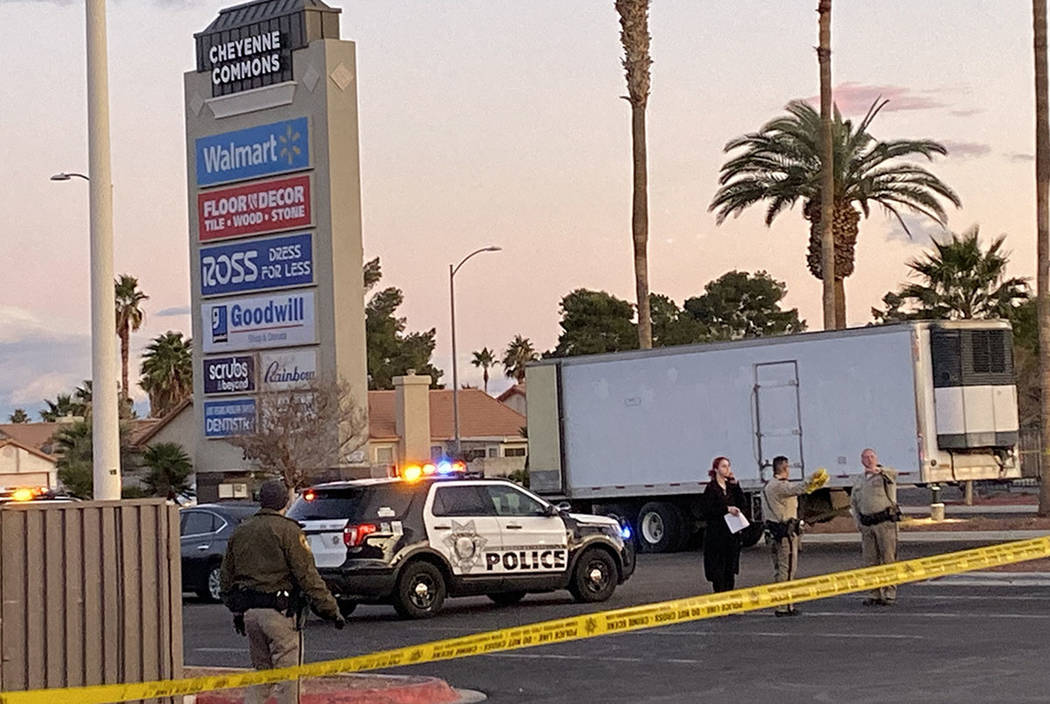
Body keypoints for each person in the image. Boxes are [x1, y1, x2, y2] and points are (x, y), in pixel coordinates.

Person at [220, 480, 346, 704]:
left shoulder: (241, 531)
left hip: (250, 613)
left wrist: (237, 610)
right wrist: (330, 609)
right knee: (288, 679)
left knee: (263, 674)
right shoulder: (288, 530)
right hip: (279, 613)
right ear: (285, 501)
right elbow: (307, 575)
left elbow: (226, 577)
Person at [760, 457, 828, 616]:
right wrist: (814, 479)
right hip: (785, 533)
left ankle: (780, 603)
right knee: (787, 569)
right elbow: (799, 488)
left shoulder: (769, 486)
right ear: (785, 468)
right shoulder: (780, 486)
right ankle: (785, 605)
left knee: (779, 570)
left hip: (775, 532)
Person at [850, 448, 901, 606]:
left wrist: (880, 470)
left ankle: (889, 593)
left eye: (871, 457)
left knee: (888, 558)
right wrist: (858, 523)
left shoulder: (884, 476)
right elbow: (854, 503)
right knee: (870, 561)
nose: (869, 460)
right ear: (861, 460)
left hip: (884, 523)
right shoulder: (859, 481)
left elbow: (894, 473)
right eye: (866, 457)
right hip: (867, 525)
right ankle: (874, 593)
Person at [701, 456, 748, 592]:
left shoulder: (731, 488)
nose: (727, 469)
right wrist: (726, 509)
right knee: (718, 570)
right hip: (716, 535)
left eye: (728, 466)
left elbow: (742, 503)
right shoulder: (711, 488)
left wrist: (736, 485)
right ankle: (720, 596)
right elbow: (706, 510)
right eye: (723, 466)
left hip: (731, 534)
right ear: (716, 469)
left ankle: (730, 598)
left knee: (730, 569)